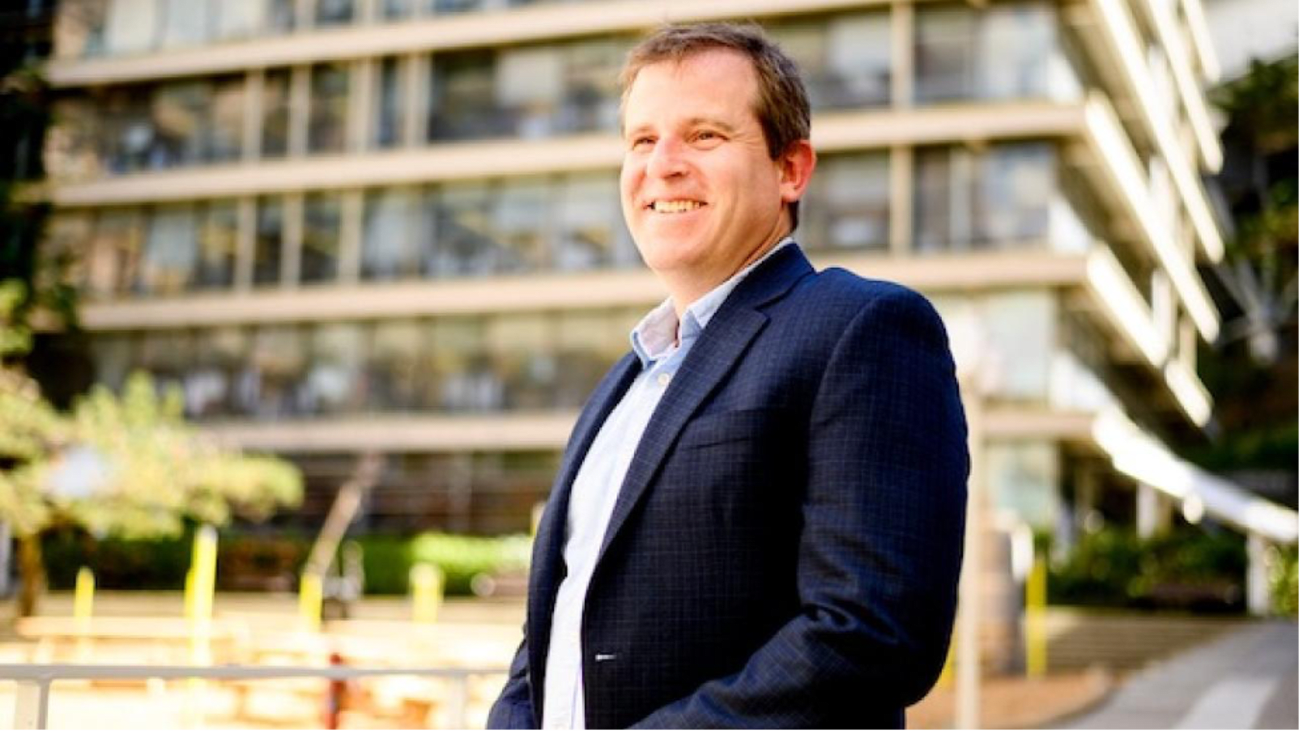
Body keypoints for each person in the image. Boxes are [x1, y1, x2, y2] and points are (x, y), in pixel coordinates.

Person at [488, 22, 968, 731]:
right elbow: (551, 635)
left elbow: (870, 635)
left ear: (791, 169)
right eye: (642, 140)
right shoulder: (622, 385)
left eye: (705, 136)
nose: (664, 164)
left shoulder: (864, 329)